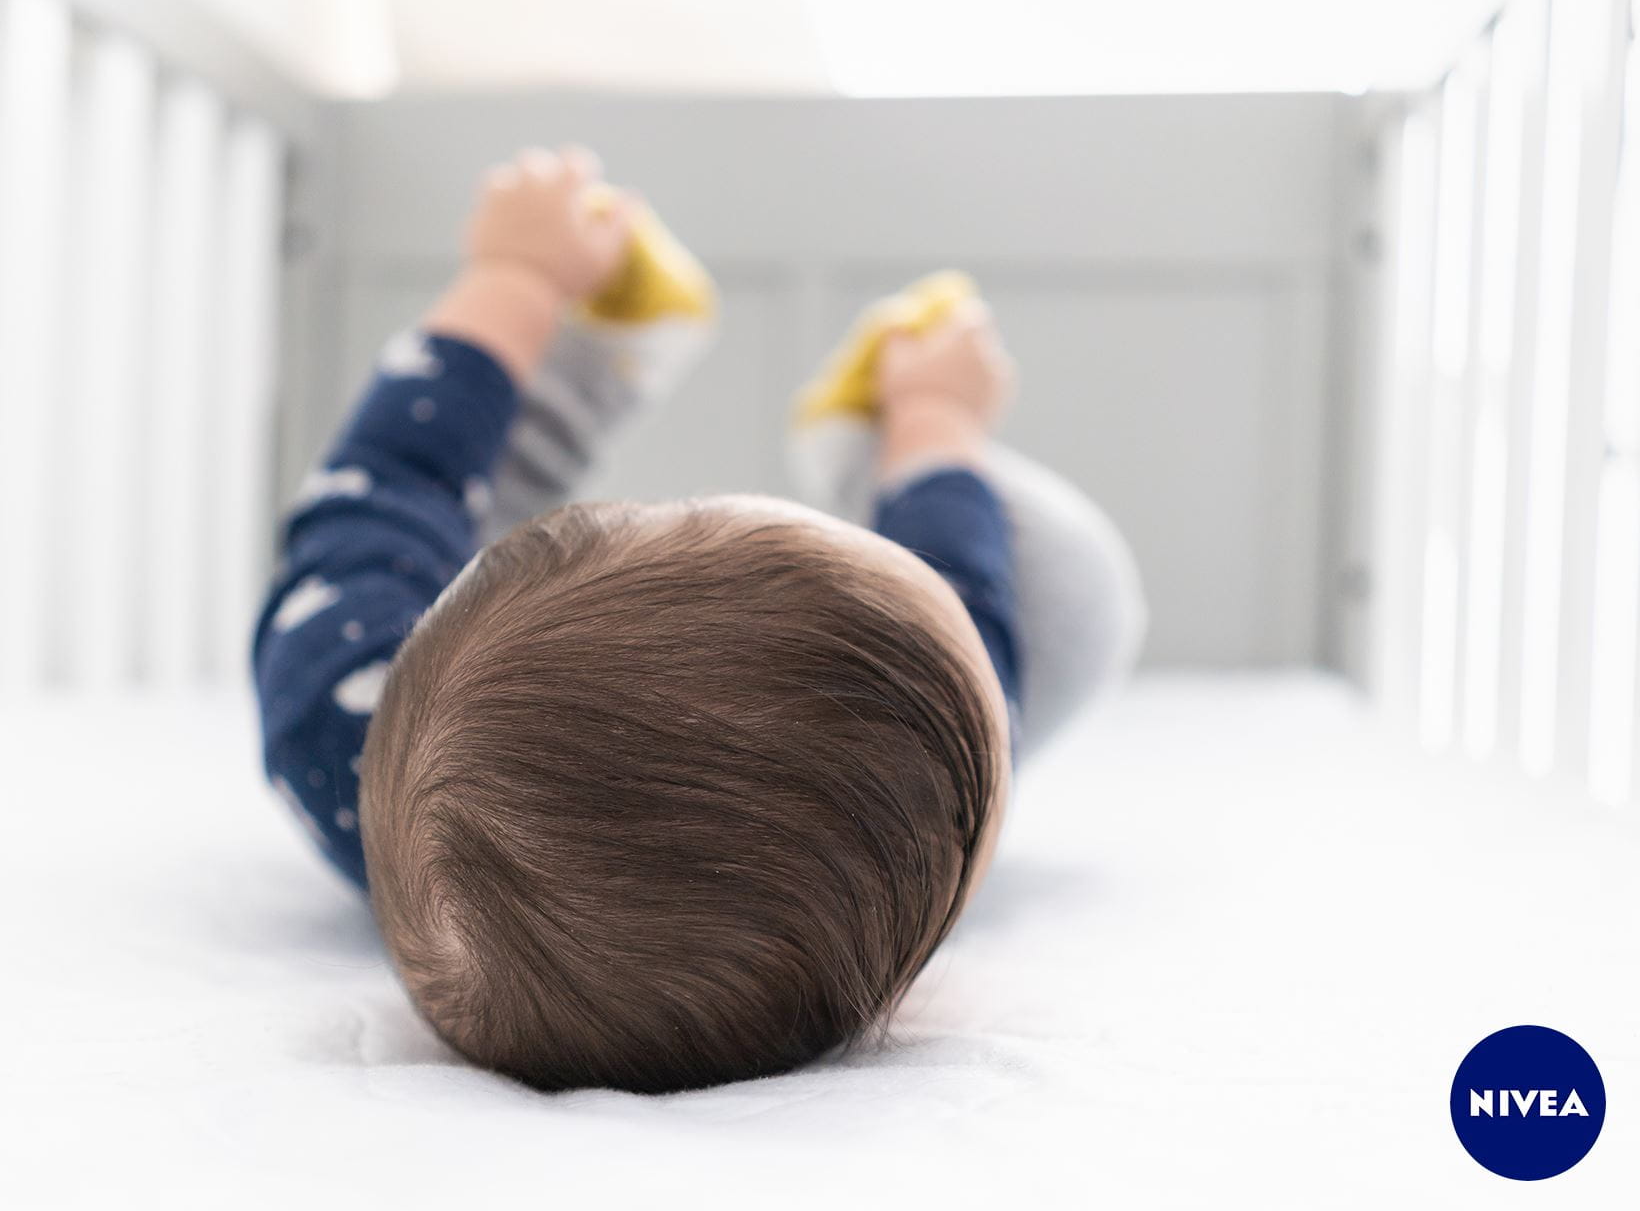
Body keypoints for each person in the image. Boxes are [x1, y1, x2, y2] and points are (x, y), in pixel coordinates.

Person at [253, 146, 1145, 1093]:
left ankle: (572, 387)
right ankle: (887, 456)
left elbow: (381, 494)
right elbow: (965, 590)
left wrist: (514, 281)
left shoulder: (344, 730)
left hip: (410, 707)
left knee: (394, 538)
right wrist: (934, 419)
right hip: (924, 706)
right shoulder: (947, 777)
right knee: (1073, 597)